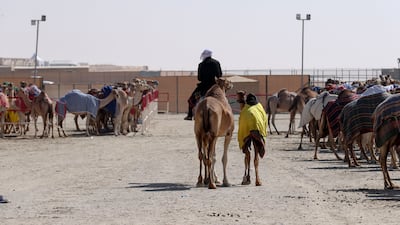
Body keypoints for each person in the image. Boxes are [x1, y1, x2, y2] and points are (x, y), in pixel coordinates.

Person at [184, 49, 223, 120]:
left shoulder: (201, 64)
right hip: (214, 86)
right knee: (223, 99)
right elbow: (219, 75)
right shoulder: (216, 63)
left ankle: (189, 115)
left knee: (191, 100)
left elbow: (199, 78)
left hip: (203, 87)